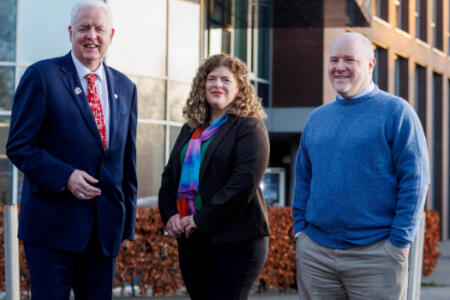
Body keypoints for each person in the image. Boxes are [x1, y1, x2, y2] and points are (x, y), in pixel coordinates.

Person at [6, 0, 137, 298]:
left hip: (103, 233)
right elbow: (18, 146)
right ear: (70, 33)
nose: (91, 35)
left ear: (111, 35)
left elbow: (126, 161)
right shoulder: (42, 76)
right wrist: (65, 176)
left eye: (99, 29)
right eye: (83, 28)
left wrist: (126, 226)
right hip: (52, 229)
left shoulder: (125, 87)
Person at [292, 32, 430, 300]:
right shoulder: (317, 119)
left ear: (370, 64)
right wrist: (301, 233)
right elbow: (304, 179)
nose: (339, 67)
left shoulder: (397, 112)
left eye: (349, 59)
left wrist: (400, 242)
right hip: (316, 255)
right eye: (334, 60)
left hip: (376, 256)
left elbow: (415, 179)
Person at [158, 53, 270, 300]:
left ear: (239, 88)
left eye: (226, 80)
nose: (217, 85)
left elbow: (243, 184)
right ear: (203, 85)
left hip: (237, 240)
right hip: (192, 240)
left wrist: (200, 218)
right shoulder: (190, 128)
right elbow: (169, 178)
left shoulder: (249, 127)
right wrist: (170, 215)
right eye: (211, 79)